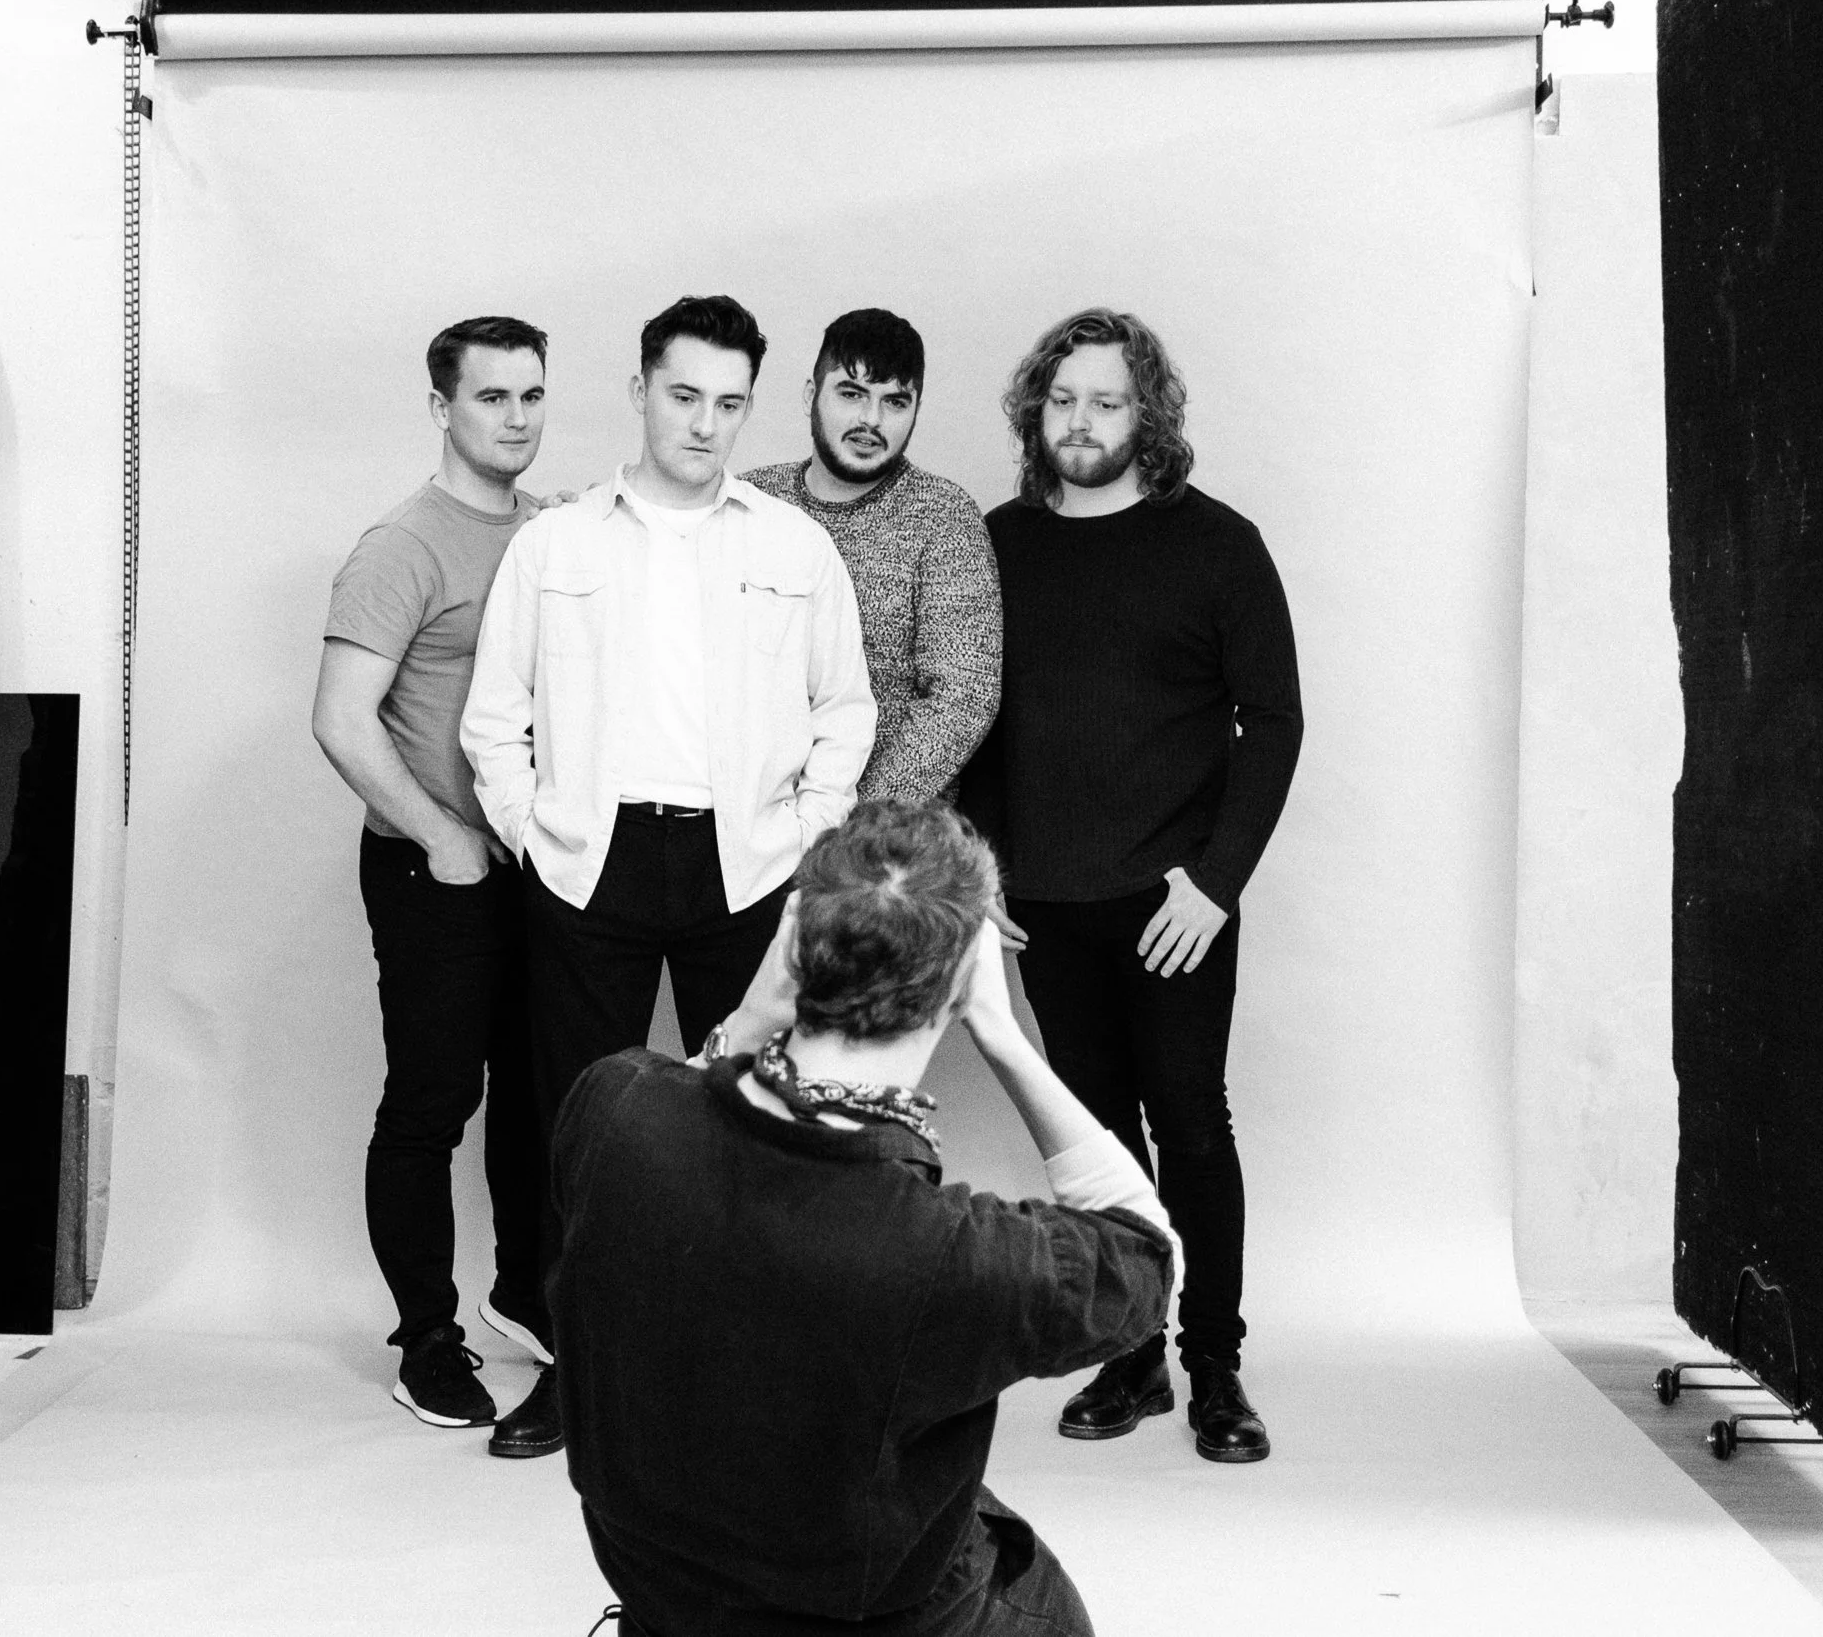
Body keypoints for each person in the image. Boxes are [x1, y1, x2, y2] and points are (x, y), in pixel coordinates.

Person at [548, 800, 1177, 1637]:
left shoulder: (610, 1107)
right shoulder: (954, 1258)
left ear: (796, 939)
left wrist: (761, 999)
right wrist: (1003, 1032)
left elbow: (703, 1107)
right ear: (957, 982)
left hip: (665, 1594)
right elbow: (1148, 1255)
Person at [461, 293, 876, 1458]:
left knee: (755, 1123)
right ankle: (576, 1369)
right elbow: (495, 718)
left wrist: (803, 830)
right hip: (589, 857)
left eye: (729, 403)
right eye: (683, 395)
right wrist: (535, 836)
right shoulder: (557, 542)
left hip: (739, 860)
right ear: (640, 390)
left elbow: (845, 707)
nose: (703, 424)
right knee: (577, 1124)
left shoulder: (792, 544)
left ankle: (751, 1382)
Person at [960, 307, 1302, 1463]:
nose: (1082, 421)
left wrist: (1215, 881)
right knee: (1098, 1137)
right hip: (1046, 898)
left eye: (1107, 400)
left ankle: (1215, 1368)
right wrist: (990, 861)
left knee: (1191, 1123)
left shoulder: (1216, 544)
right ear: (1033, 410)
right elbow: (975, 725)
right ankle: (1129, 1356)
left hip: (1175, 906)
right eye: (1063, 399)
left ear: (1146, 412)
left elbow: (1275, 721)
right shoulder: (998, 545)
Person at [310, 315, 561, 1436]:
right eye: (491, 397)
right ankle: (425, 1339)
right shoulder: (401, 546)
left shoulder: (554, 535)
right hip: (433, 871)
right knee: (430, 1105)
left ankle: (525, 1290)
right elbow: (339, 719)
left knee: (539, 1094)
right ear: (441, 407)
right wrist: (439, 836)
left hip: (537, 867)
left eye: (529, 396)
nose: (514, 418)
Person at [743, 309, 1000, 805]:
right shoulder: (754, 499)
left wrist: (847, 818)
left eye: (895, 401)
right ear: (809, 395)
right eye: (852, 393)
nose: (871, 420)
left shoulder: (943, 517)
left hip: (886, 851)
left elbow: (962, 698)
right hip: (747, 837)